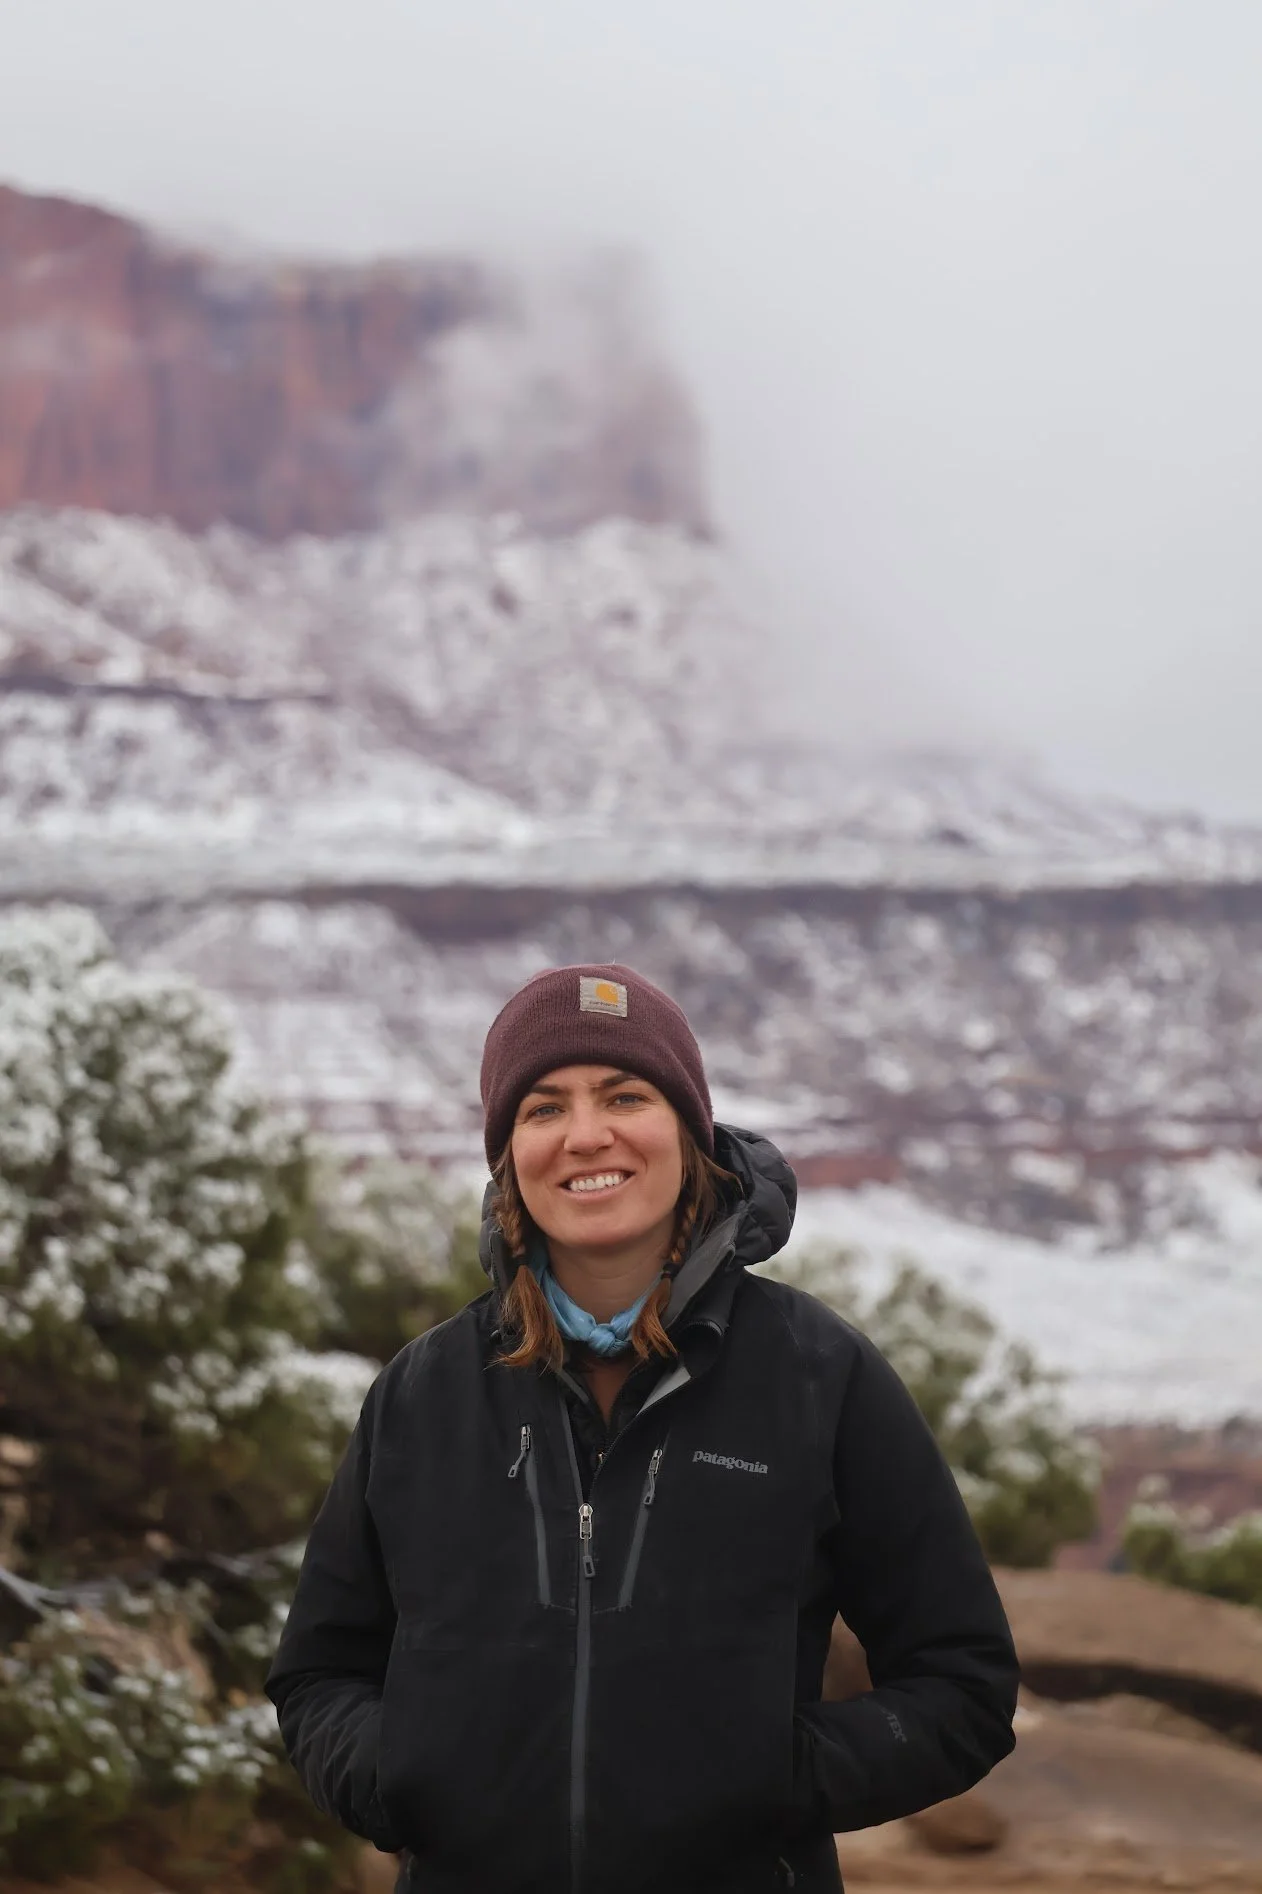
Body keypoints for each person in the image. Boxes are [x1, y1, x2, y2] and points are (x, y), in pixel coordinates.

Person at [267, 964, 1018, 1894]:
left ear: (689, 1130)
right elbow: (318, 1675)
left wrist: (774, 1778)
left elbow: (963, 1683)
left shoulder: (819, 1375)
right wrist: (401, 1774)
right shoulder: (422, 1394)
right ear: (509, 1153)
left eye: (625, 1095)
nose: (587, 1136)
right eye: (543, 1108)